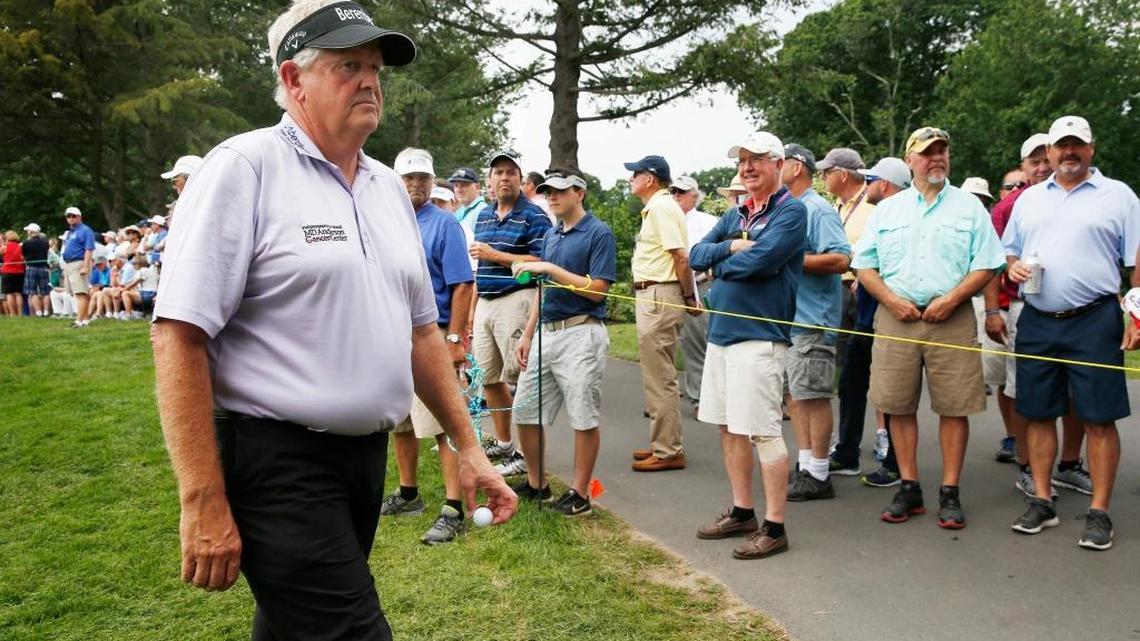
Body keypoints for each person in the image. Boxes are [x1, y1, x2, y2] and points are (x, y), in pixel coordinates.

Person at [150, 4, 516, 639]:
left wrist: (469, 446)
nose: (371, 81)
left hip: (361, 458)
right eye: (349, 65)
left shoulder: (384, 187)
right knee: (348, 630)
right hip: (277, 458)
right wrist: (202, 498)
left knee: (295, 626)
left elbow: (420, 332)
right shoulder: (244, 168)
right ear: (294, 79)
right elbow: (178, 334)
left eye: (375, 67)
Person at [851, 126, 1005, 529]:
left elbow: (988, 263)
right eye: (927, 152)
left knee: (955, 408)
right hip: (896, 317)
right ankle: (910, 486)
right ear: (910, 161)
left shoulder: (969, 208)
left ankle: (950, 491)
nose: (937, 158)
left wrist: (952, 300)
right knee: (898, 404)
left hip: (950, 320)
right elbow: (863, 264)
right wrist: (890, 300)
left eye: (942, 151)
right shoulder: (888, 209)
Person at [1003, 115, 1140, 550]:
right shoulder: (1028, 199)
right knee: (1038, 412)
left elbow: (1137, 264)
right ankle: (1043, 500)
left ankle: (1099, 511)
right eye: (1061, 146)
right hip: (1039, 317)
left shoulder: (1119, 196)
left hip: (1095, 318)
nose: (1068, 153)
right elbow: (1009, 252)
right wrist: (1013, 267)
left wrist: (1138, 317)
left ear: (1091, 149)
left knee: (1099, 417)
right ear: (1050, 152)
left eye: (1076, 145)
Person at [690, 132, 806, 559]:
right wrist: (731, 248)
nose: (748, 167)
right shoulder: (737, 213)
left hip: (760, 336)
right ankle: (743, 511)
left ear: (779, 164)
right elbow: (695, 255)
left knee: (762, 430)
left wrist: (722, 267)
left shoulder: (790, 213)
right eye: (742, 160)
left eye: (757, 159)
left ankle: (774, 527)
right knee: (727, 426)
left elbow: (765, 261)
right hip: (722, 333)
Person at [380, 147, 476, 546]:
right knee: (399, 421)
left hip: (432, 334)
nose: (416, 185)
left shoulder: (445, 224)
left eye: (423, 178)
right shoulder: (384, 222)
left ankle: (454, 508)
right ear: (397, 182)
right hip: (390, 333)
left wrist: (454, 338)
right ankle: (408, 494)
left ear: (432, 181)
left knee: (442, 424)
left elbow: (462, 284)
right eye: (409, 178)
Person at [986, 132, 1090, 497]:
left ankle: (1069, 463)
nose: (1042, 167)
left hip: (1080, 314)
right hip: (1022, 308)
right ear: (1024, 165)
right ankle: (1028, 465)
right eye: (1034, 162)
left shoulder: (1082, 197)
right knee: (1024, 391)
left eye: (1045, 160)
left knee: (1075, 391)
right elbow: (991, 261)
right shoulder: (1009, 206)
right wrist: (993, 308)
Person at [510, 168, 617, 515]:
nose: (552, 197)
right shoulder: (552, 235)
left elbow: (599, 291)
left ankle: (581, 494)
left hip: (582, 331)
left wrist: (551, 270)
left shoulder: (598, 233)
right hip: (547, 334)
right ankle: (537, 483)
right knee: (524, 410)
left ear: (579, 193)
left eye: (560, 191)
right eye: (547, 192)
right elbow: (544, 291)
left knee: (583, 416)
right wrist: (528, 334)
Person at [468, 149, 552, 477]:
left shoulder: (534, 216)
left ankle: (522, 453)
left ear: (521, 179)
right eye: (498, 172)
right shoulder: (485, 216)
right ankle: (503, 442)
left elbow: (543, 261)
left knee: (518, 379)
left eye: (511, 173)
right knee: (487, 377)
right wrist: (472, 310)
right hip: (485, 301)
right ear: (489, 180)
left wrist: (497, 255)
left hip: (516, 299)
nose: (504, 178)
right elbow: (479, 265)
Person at [829, 157, 911, 487]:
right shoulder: (881, 216)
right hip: (866, 317)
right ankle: (847, 453)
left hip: (890, 318)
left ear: (885, 185)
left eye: (872, 180)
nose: (867, 185)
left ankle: (895, 464)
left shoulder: (903, 218)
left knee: (892, 394)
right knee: (851, 384)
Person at [778, 144, 851, 500]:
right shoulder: (788, 209)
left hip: (814, 320)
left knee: (814, 396)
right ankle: (806, 464)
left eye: (779, 162)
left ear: (795, 167)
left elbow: (840, 258)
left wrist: (791, 259)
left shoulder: (817, 209)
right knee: (798, 396)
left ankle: (820, 472)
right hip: (792, 321)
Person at [626, 154, 701, 472]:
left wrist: (688, 296)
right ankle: (663, 443)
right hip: (655, 293)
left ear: (650, 179)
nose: (631, 179)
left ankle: (669, 450)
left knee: (661, 377)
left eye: (635, 174)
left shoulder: (660, 206)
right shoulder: (658, 206)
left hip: (660, 293)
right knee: (656, 374)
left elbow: (681, 257)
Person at [670, 175, 719, 416]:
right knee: (675, 345)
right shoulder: (665, 219)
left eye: (682, 192)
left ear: (695, 196)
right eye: (674, 191)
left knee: (700, 342)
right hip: (669, 288)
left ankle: (702, 398)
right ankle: (668, 399)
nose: (677, 195)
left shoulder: (708, 221)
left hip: (700, 286)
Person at [819, 148, 870, 370]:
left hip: (865, 288)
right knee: (841, 364)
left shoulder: (874, 201)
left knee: (865, 361)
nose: (822, 178)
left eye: (827, 172)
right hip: (836, 290)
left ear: (843, 174)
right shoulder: (833, 207)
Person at [60, 206, 96, 328]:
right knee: (77, 293)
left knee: (81, 293)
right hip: (69, 263)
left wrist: (85, 266)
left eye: (73, 216)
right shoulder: (70, 232)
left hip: (79, 262)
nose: (70, 218)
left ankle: (79, 321)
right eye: (68, 216)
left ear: (79, 217)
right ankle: (85, 320)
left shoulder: (85, 230)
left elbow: (89, 249)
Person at [21, 223, 51, 317]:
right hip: (43, 267)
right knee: (45, 291)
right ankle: (46, 311)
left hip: (31, 268)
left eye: (28, 230)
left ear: (31, 231)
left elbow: (23, 255)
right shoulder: (45, 242)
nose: (27, 232)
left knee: (32, 291)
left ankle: (38, 311)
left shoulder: (26, 242)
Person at [448, 167, 484, 233]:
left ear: (477, 187)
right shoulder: (460, 210)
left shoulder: (483, 211)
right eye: (456, 185)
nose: (459, 190)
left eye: (464, 185)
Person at [1, 230, 25, 316]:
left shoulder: (5, 247)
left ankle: (12, 313)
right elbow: (23, 258)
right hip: (19, 272)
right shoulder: (20, 247)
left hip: (7, 272)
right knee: (18, 293)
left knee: (9, 294)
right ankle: (20, 313)